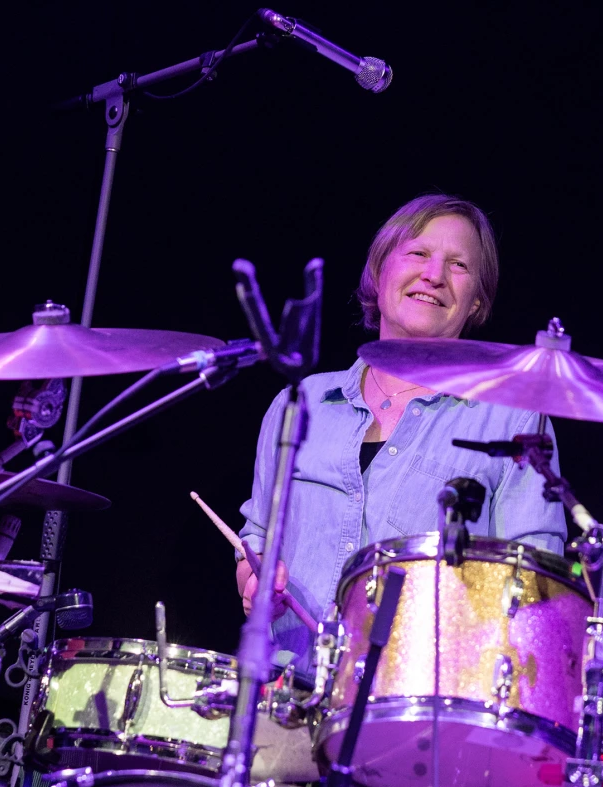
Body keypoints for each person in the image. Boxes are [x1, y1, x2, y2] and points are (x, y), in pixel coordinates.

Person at [237, 193, 566, 677]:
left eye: (458, 265)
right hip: (283, 693)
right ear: (379, 270)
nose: (434, 275)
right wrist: (252, 574)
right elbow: (257, 537)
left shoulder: (512, 423)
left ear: (476, 300)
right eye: (418, 253)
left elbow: (536, 590)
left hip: (417, 713)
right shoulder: (300, 403)